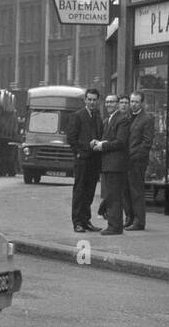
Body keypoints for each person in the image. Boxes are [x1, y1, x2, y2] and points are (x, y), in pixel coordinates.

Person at [65, 88, 104, 233]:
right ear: (85, 100)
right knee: (80, 191)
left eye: (95, 100)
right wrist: (79, 153)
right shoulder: (77, 116)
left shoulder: (97, 117)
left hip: (94, 160)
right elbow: (71, 138)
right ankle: (77, 222)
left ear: (97, 101)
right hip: (82, 160)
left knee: (90, 191)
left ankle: (86, 220)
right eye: (90, 99)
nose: (92, 102)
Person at [94, 93, 131, 235]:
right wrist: (97, 142)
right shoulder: (109, 119)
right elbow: (107, 138)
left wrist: (103, 145)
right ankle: (113, 224)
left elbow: (120, 142)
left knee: (114, 196)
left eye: (112, 102)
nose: (109, 104)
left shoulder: (122, 120)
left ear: (117, 104)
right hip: (109, 164)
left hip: (116, 165)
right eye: (107, 102)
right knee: (111, 195)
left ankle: (115, 226)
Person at [125, 91, 153, 230]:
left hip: (137, 161)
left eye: (136, 102)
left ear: (142, 103)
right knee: (127, 191)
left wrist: (135, 156)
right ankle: (129, 218)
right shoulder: (128, 116)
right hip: (126, 160)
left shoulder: (146, 118)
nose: (133, 104)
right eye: (131, 101)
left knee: (136, 191)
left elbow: (147, 142)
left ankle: (139, 221)